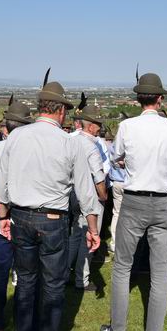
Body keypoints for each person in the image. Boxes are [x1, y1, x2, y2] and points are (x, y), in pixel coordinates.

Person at [0, 75, 101, 331]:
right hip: (53, 220)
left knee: (26, 283)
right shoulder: (70, 143)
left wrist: (2, 216)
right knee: (53, 288)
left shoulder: (16, 137)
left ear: (41, 107)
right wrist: (93, 229)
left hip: (20, 216)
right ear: (62, 111)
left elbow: (1, 181)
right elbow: (86, 192)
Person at [101, 71, 167, 331]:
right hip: (164, 201)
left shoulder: (127, 126)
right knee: (160, 272)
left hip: (135, 200)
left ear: (138, 99)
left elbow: (115, 156)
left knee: (123, 266)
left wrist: (127, 163)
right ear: (160, 99)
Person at [0, 98, 34, 331]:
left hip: (1, 219)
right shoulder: (33, 150)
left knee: (0, 271)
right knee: (27, 273)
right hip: (26, 218)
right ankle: (24, 321)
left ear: (5, 127)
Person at [68, 99, 109, 292]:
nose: (100, 128)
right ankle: (81, 279)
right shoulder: (91, 147)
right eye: (98, 124)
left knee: (75, 235)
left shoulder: (71, 141)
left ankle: (65, 272)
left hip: (72, 194)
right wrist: (103, 196)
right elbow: (98, 176)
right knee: (90, 238)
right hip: (89, 196)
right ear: (91, 126)